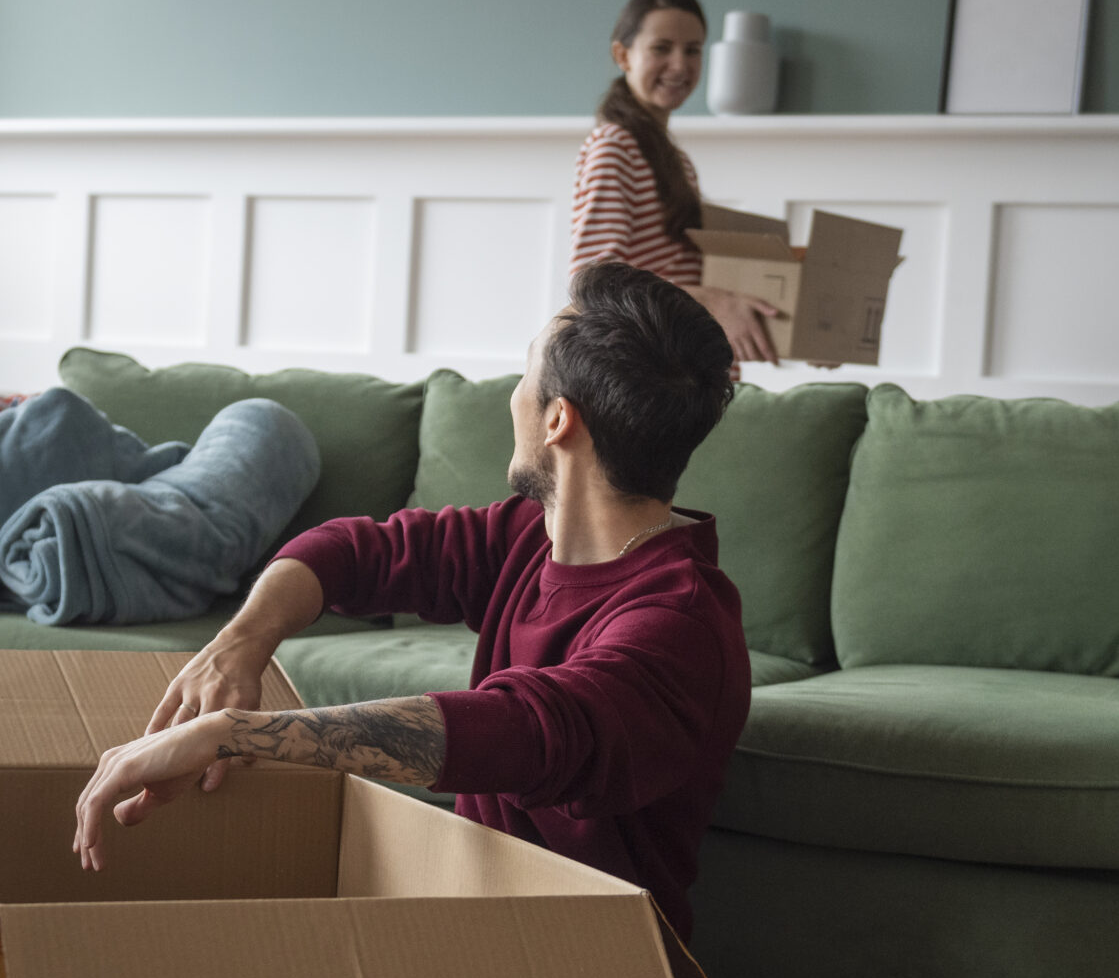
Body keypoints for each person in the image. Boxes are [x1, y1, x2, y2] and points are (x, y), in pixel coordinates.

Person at [70, 263, 747, 938]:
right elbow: (354, 551)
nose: (512, 394)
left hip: (589, 960)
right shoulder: (531, 536)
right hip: (470, 923)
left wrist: (230, 735)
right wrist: (240, 643)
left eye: (524, 375)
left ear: (557, 420)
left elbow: (526, 732)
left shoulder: (679, 624)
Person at [570, 0, 784, 367]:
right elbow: (595, 280)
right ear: (623, 55)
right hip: (647, 379)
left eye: (693, 50)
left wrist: (798, 328)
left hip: (681, 374)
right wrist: (712, 301)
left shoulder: (676, 161)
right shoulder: (614, 145)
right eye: (661, 48)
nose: (680, 65)